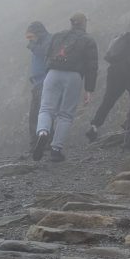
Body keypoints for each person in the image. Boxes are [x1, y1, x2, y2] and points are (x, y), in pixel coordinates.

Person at [33, 12, 98, 162]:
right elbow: (92, 66)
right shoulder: (88, 40)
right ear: (84, 23)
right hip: (73, 76)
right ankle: (56, 150)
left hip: (53, 73)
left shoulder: (58, 36)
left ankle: (43, 132)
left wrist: (49, 72)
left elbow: (47, 55)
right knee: (66, 114)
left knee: (46, 109)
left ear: (71, 23)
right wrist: (89, 89)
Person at [85, 19, 130, 143]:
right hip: (129, 74)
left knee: (108, 100)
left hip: (114, 72)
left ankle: (94, 126)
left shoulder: (126, 36)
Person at [25, 21, 52, 149]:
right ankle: (37, 143)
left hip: (45, 82)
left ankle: (42, 143)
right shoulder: (39, 42)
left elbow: (44, 53)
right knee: (36, 114)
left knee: (40, 113)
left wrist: (33, 46)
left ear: (38, 33)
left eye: (31, 36)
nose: (29, 40)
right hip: (38, 83)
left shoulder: (47, 41)